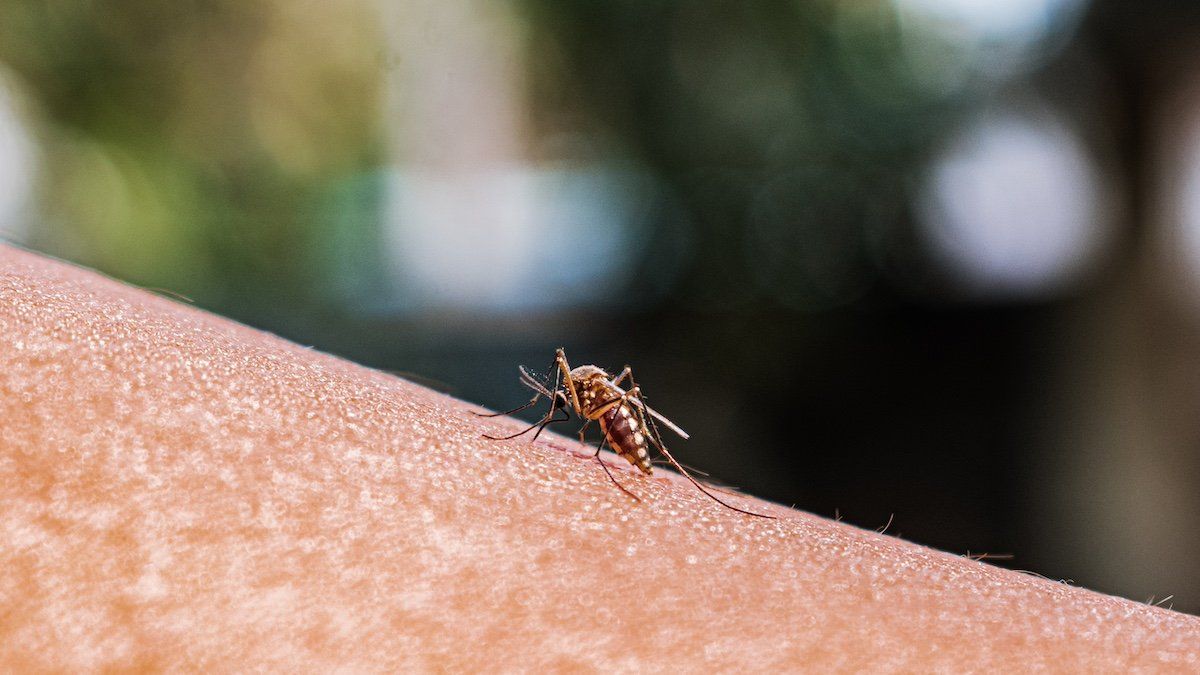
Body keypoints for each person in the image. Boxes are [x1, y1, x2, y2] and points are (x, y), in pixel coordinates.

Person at [1, 243, 1196, 671]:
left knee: (634, 430)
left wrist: (628, 440)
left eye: (577, 396)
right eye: (581, 399)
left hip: (650, 454)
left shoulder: (600, 395)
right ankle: (683, 485)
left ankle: (683, 484)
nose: (583, 401)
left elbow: (603, 400)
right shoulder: (573, 388)